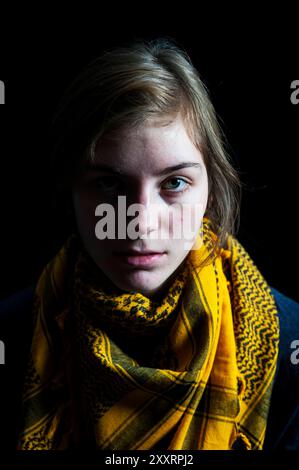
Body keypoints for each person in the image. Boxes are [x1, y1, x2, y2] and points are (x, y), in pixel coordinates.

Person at [0, 38, 298, 451]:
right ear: (70, 189)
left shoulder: (288, 343)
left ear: (210, 192)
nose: (140, 223)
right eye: (108, 183)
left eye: (174, 183)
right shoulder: (14, 334)